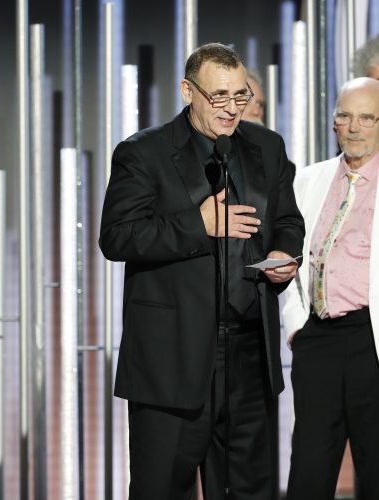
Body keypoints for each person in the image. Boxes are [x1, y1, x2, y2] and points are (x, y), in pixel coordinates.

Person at [99, 42, 304, 500]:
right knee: (162, 488)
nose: (233, 109)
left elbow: (289, 220)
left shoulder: (267, 147)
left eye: (241, 96)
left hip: (251, 353)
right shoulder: (142, 153)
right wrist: (199, 224)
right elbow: (117, 237)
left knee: (250, 488)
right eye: (219, 97)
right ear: (187, 91)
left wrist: (283, 256)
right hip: (172, 358)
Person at [281, 77, 379, 500]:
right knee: (308, 470)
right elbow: (288, 254)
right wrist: (296, 327)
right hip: (317, 339)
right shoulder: (308, 180)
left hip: (370, 340)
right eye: (344, 116)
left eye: (366, 118)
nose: (353, 127)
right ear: (333, 121)